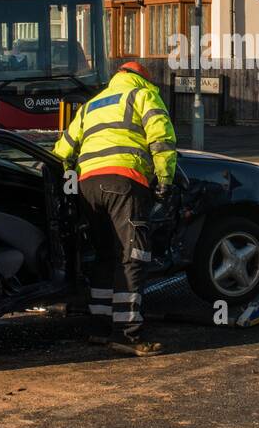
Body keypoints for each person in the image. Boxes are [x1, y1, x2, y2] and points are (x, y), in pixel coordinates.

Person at [52, 61, 177, 357]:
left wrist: (68, 183)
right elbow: (162, 142)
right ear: (142, 78)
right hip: (124, 181)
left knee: (105, 256)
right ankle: (127, 334)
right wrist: (165, 181)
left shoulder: (92, 104)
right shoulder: (144, 95)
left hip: (88, 186)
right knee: (132, 256)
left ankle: (98, 326)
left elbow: (62, 150)